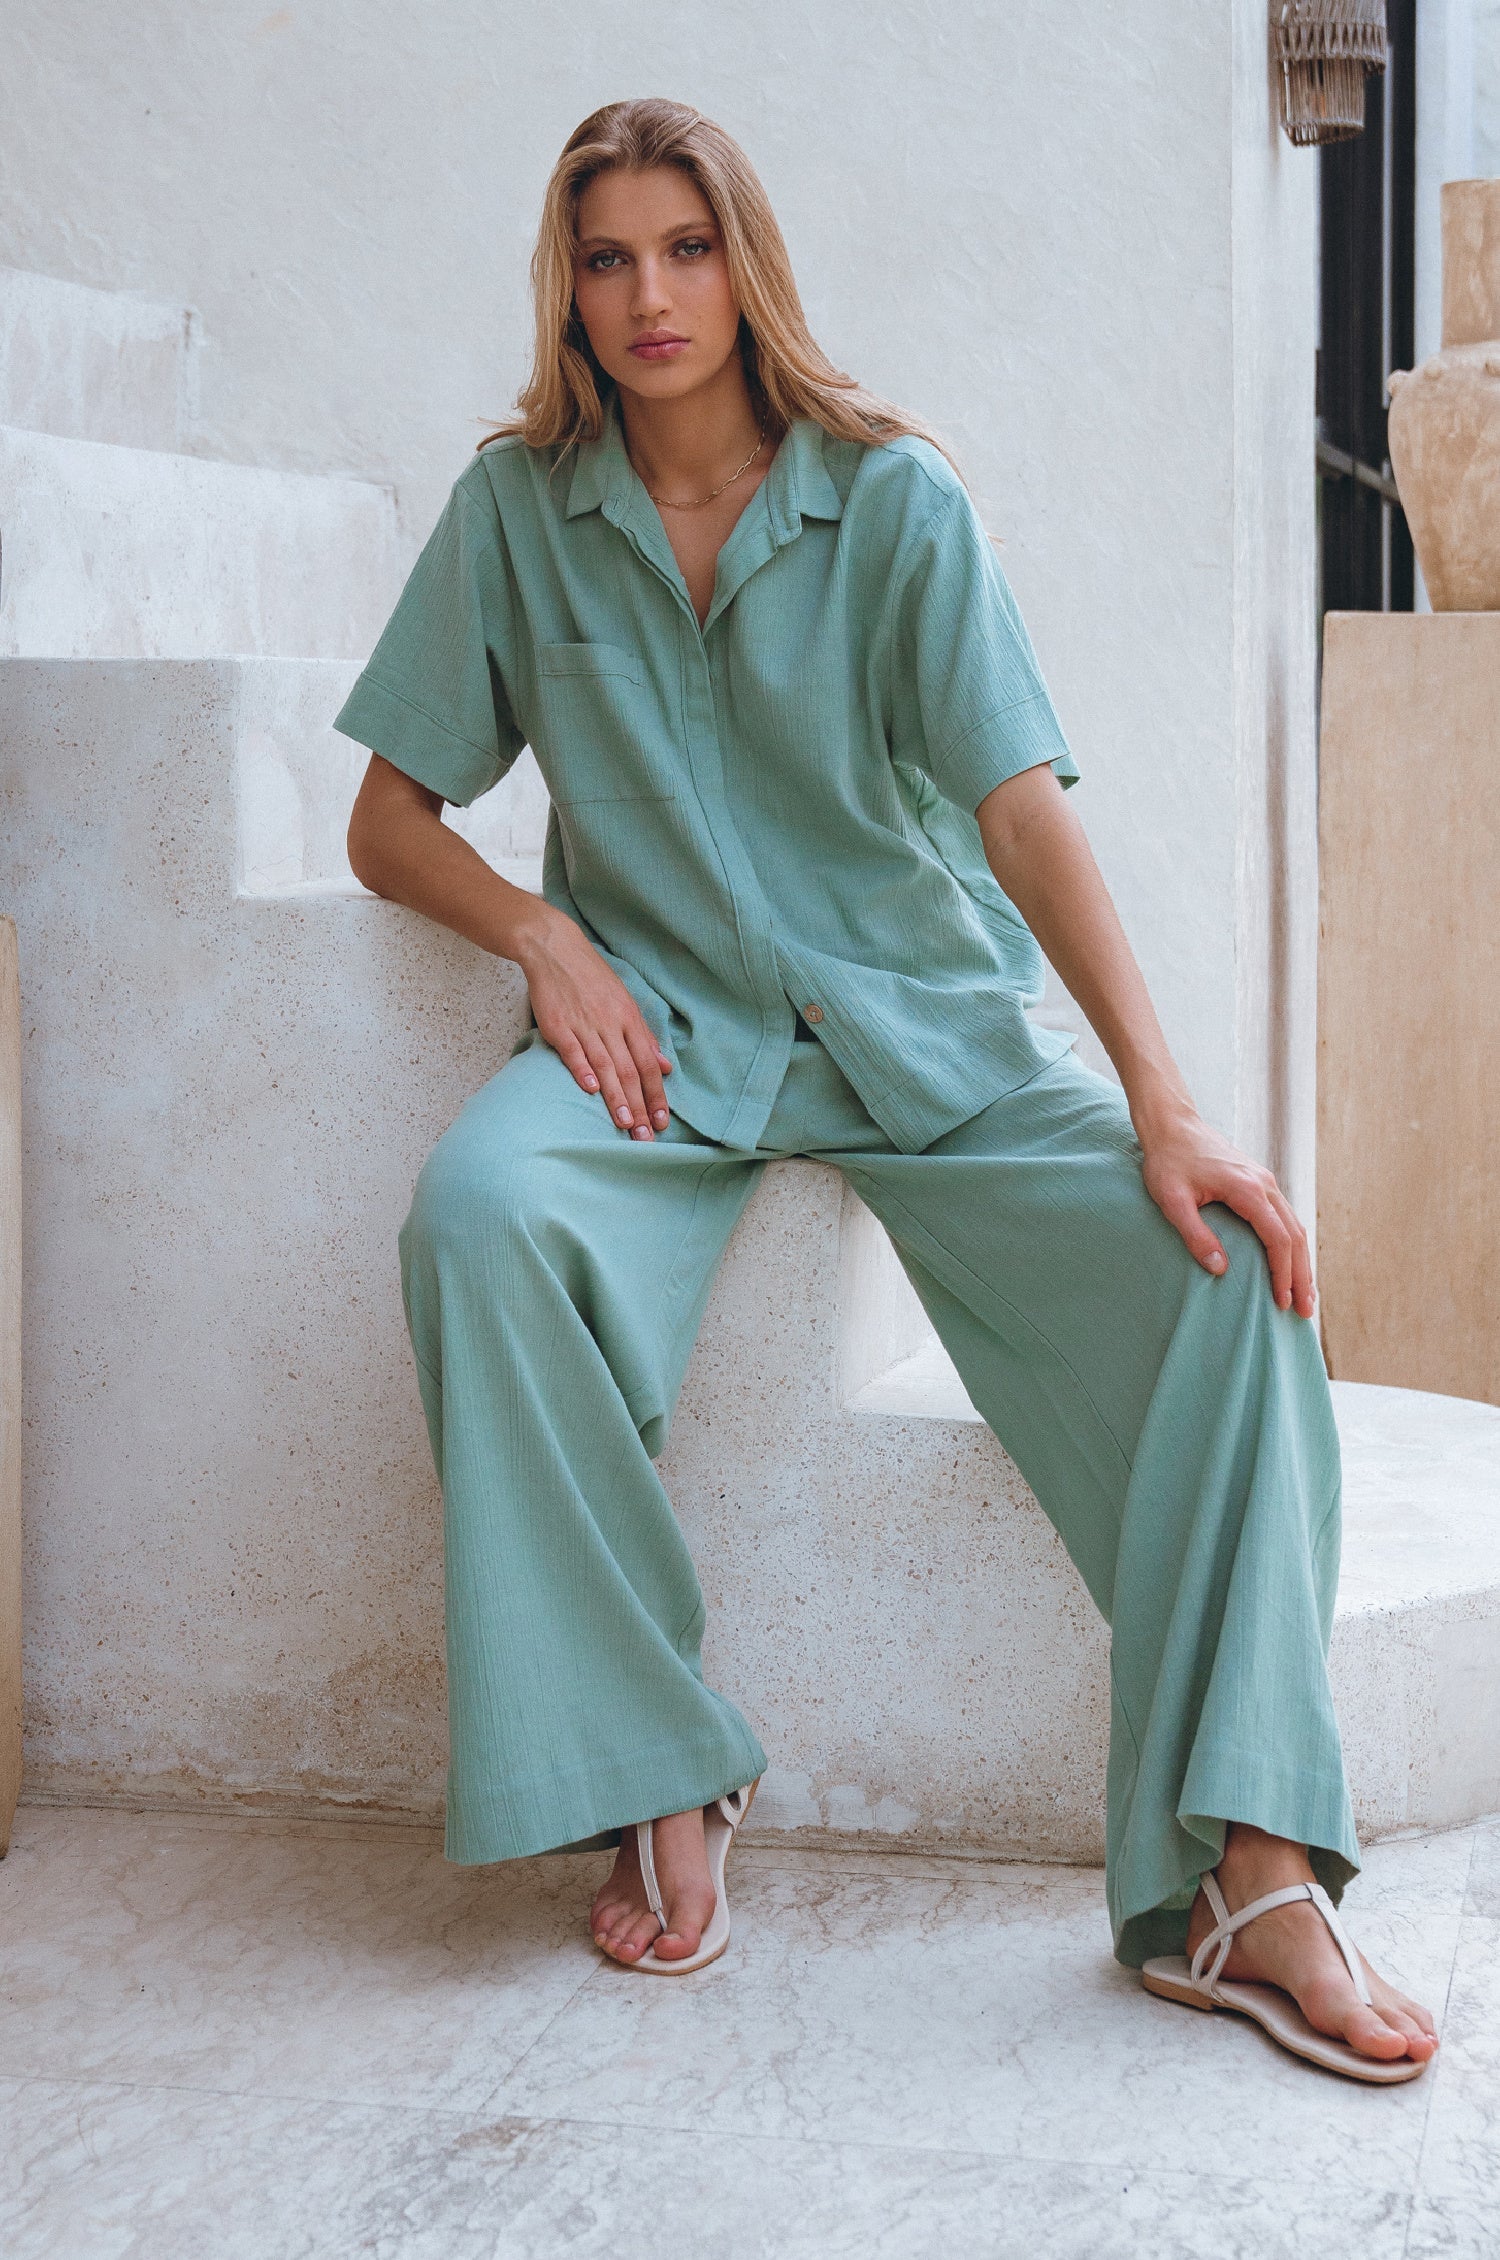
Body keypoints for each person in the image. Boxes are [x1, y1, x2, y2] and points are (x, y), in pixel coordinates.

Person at [338, 97, 1438, 2078]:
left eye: (685, 248)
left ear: (743, 264)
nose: (650, 294)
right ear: (566, 291)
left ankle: (1251, 1871)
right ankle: (657, 1762)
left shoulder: (891, 500)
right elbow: (385, 819)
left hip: (918, 1023)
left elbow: (1021, 809)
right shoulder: (518, 506)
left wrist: (1165, 1099)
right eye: (608, 258)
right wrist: (544, 934)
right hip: (655, 1042)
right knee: (481, 1217)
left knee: (1233, 1278)